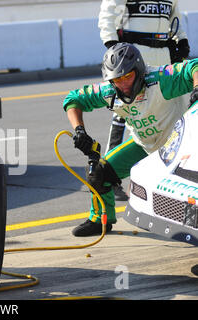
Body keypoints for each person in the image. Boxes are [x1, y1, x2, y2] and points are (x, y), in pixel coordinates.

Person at [63, 42, 198, 237]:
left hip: (181, 147)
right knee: (98, 172)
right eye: (117, 79)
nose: (123, 84)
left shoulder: (160, 80)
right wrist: (79, 131)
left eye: (127, 76)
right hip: (145, 145)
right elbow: (73, 99)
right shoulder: (109, 91)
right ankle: (101, 220)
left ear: (139, 69)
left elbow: (194, 66)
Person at [98, 0, 190, 200]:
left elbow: (175, 17)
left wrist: (181, 39)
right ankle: (112, 177)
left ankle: (161, 177)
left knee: (173, 113)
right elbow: (108, 12)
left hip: (164, 53)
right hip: (134, 54)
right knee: (125, 114)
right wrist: (112, 44)